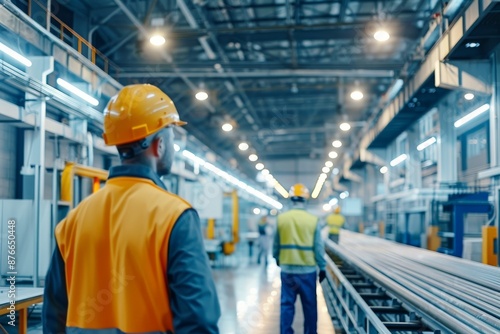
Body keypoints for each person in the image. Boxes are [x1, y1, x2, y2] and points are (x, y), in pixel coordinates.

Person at [43, 84, 221, 333]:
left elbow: (54, 315)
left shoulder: (72, 221)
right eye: (171, 135)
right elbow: (198, 319)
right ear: (158, 144)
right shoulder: (175, 216)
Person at [273, 184, 327, 334]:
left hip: (287, 270)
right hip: (307, 271)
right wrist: (322, 267)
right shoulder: (313, 220)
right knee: (310, 306)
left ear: (291, 199)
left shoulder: (282, 219)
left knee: (287, 306)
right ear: (306, 200)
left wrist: (277, 258)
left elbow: (276, 244)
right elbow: (318, 247)